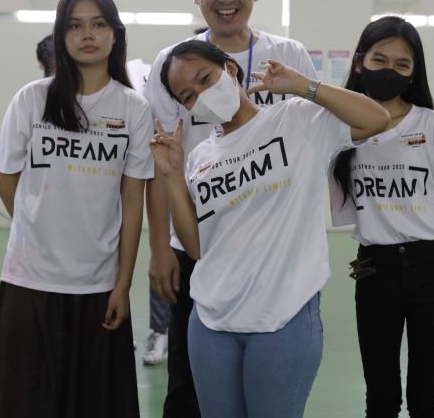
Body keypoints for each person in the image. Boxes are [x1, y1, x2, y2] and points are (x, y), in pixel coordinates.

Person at [150, 39, 389, 417]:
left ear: (230, 69)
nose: (201, 95)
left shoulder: (296, 119)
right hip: (211, 324)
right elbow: (195, 247)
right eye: (188, 96)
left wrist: (303, 85)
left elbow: (376, 119)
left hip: (283, 319)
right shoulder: (199, 158)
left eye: (204, 78)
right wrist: (173, 176)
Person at [143, 0, 319, 416]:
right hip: (200, 243)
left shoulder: (288, 54)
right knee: (188, 384)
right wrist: (160, 249)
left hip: (274, 248)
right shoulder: (172, 63)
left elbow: (316, 134)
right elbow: (160, 163)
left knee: (270, 377)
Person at [0, 0, 154, 418]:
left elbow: (133, 201)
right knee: (25, 402)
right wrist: (38, 227)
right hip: (29, 279)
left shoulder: (133, 108)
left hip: (97, 283)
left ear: (115, 34)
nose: (87, 34)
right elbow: (4, 179)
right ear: (61, 35)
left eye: (98, 24)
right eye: (75, 25)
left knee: (91, 402)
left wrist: (123, 283)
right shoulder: (32, 99)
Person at [329, 16, 434, 417]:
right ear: (359, 63)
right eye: (379, 60)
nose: (389, 71)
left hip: (431, 265)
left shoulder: (433, 125)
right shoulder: (338, 130)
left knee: (426, 397)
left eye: (402, 65)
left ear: (414, 73)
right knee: (381, 396)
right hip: (374, 268)